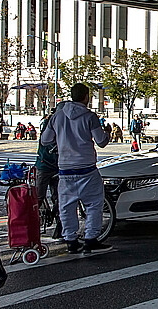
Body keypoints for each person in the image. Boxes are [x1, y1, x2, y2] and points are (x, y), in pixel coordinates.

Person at [41, 83, 111, 254]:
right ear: (86, 97)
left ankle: (71, 240)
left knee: (66, 206)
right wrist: (107, 132)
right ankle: (90, 239)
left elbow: (45, 140)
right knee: (94, 203)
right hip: (86, 167)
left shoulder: (56, 117)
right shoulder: (90, 116)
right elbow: (101, 141)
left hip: (65, 168)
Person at [35, 104, 62, 240]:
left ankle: (59, 226)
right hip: (45, 164)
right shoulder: (49, 122)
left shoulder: (63, 124)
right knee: (38, 196)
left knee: (59, 197)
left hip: (57, 165)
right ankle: (32, 227)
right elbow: (46, 141)